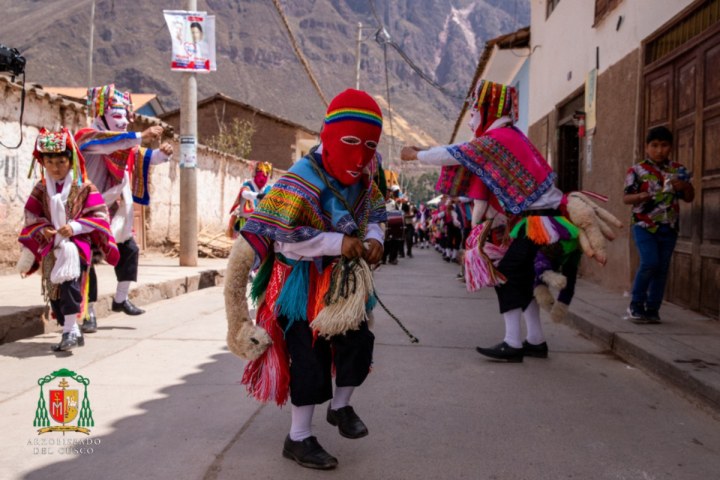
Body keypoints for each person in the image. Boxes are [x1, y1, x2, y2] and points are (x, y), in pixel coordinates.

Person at [402, 79, 620, 362]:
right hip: (541, 220)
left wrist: (416, 154)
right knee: (524, 278)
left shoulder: (498, 139)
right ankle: (535, 340)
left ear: (488, 109)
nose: (471, 118)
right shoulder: (510, 135)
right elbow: (461, 153)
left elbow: (455, 154)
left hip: (538, 223)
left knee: (506, 275)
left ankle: (512, 343)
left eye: (475, 110)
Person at [239, 89, 386, 469]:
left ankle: (340, 407)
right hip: (299, 289)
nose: (359, 155)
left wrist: (373, 241)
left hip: (343, 288)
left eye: (369, 145)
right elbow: (284, 238)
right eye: (350, 142)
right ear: (328, 135)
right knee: (309, 356)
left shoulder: (366, 180)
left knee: (358, 342)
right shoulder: (299, 179)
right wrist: (340, 242)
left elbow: (377, 217)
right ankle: (299, 437)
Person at [75, 84, 173, 333]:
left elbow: (140, 156)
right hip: (86, 210)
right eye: (116, 115)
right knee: (87, 260)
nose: (123, 121)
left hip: (113, 211)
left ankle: (120, 299)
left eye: (125, 116)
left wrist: (162, 154)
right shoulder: (89, 138)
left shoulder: (123, 144)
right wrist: (141, 136)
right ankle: (88, 312)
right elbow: (114, 144)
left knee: (129, 249)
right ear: (100, 116)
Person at [17, 129, 119, 351]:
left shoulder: (84, 186)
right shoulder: (41, 188)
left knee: (71, 287)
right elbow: (32, 215)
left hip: (76, 247)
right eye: (50, 161)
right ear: (42, 162)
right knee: (54, 291)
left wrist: (74, 227)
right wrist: (43, 229)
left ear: (71, 160)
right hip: (50, 248)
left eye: (61, 161)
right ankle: (70, 329)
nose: (55, 167)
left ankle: (70, 331)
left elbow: (100, 215)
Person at [623, 126, 694, 323]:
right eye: (654, 145)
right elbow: (626, 198)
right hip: (643, 225)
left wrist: (685, 186)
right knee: (649, 262)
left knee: (662, 269)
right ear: (646, 147)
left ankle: (653, 310)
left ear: (670, 147)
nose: (659, 150)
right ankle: (635, 306)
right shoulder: (636, 170)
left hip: (668, 226)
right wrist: (640, 196)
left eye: (664, 145)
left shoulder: (678, 170)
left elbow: (689, 198)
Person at [226, 161, 273, 239]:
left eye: (266, 175)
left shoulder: (268, 189)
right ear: (255, 174)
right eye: (260, 174)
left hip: (262, 226)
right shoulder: (247, 186)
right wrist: (258, 195)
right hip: (245, 223)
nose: (262, 178)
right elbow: (245, 194)